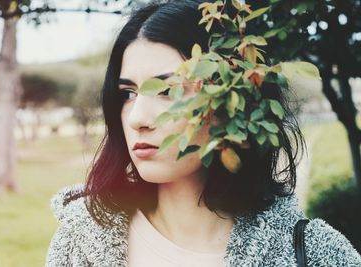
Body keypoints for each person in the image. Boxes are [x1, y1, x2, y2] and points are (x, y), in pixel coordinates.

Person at [45, 0, 361, 266]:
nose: (138, 118)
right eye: (128, 93)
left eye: (168, 90)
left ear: (231, 104)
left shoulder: (313, 252)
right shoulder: (80, 241)